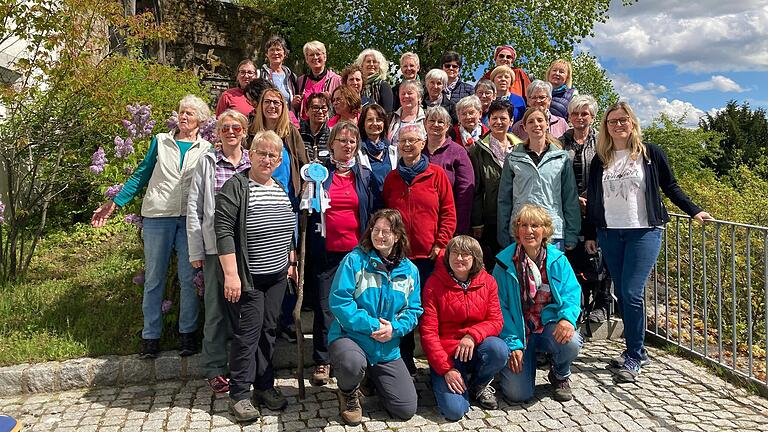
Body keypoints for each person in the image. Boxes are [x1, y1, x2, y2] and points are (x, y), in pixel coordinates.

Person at [584, 102, 712, 383]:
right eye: (612, 121)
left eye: (623, 119)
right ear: (605, 126)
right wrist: (592, 234)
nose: (618, 125)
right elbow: (594, 199)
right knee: (625, 293)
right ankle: (638, 351)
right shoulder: (600, 159)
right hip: (610, 233)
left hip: (644, 231)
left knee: (631, 292)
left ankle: (633, 355)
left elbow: (671, 186)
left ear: (632, 122)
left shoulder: (650, 154)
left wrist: (693, 210)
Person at [91, 95, 213, 359]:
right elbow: (141, 174)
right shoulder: (160, 141)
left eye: (190, 114)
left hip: (189, 220)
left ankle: (187, 335)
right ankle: (150, 336)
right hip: (158, 216)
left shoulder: (207, 150)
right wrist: (115, 203)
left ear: (201, 121)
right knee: (154, 277)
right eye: (181, 112)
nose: (183, 117)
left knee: (189, 279)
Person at [215, 130, 298, 421]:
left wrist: (290, 258)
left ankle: (264, 386)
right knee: (247, 335)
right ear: (251, 154)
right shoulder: (236, 187)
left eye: (271, 155)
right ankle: (239, 394)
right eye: (261, 153)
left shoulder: (277, 186)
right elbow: (223, 231)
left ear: (278, 161)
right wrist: (231, 275)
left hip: (275, 276)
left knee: (268, 331)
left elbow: (286, 225)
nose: (266, 159)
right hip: (247, 277)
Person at [328, 209, 422, 425]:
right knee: (352, 363)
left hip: (386, 347)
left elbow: (414, 310)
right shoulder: (354, 260)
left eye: (386, 231)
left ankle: (372, 378)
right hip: (351, 339)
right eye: (375, 230)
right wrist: (372, 326)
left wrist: (394, 329)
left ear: (397, 236)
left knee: (405, 408)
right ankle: (348, 393)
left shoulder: (410, 271)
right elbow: (340, 302)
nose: (379, 235)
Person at [307, 121, 380, 387]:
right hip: (326, 251)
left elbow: (374, 210)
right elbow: (308, 208)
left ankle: (357, 355)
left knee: (359, 305)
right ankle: (322, 359)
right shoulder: (319, 174)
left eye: (352, 142)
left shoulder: (364, 175)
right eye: (342, 141)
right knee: (326, 307)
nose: (347, 146)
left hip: (356, 253)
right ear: (332, 144)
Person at [383, 123, 457, 374]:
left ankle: (437, 360)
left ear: (423, 144)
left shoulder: (437, 176)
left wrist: (441, 244)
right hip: (399, 257)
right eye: (403, 140)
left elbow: (448, 212)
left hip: (429, 257)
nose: (407, 145)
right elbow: (385, 216)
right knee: (401, 308)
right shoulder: (392, 179)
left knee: (429, 310)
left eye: (413, 140)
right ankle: (405, 360)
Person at [187, 110, 252, 394]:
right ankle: (214, 367)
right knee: (215, 310)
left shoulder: (253, 160)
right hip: (215, 248)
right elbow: (194, 207)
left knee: (247, 310)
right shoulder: (208, 162)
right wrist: (195, 250)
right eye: (225, 127)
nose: (230, 131)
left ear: (244, 131)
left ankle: (246, 366)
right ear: (217, 132)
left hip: (250, 248)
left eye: (235, 126)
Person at [495, 204, 583, 402]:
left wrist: (567, 319)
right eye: (523, 225)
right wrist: (512, 344)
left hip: (547, 328)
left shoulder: (557, 259)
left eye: (535, 225)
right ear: (517, 230)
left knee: (572, 341)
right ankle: (515, 364)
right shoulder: (503, 263)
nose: (529, 231)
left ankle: (559, 374)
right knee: (518, 394)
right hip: (519, 332)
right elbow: (500, 307)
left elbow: (572, 292)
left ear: (545, 230)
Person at [420, 235, 508, 421]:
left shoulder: (488, 282)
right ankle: (450, 380)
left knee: (498, 349)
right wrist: (446, 369)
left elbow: (496, 321)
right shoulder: (433, 284)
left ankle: (479, 383)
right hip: (448, 354)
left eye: (465, 254)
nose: (459, 258)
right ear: (448, 256)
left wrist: (472, 336)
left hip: (475, 349)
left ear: (475, 258)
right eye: (455, 253)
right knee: (454, 411)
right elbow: (428, 333)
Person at [497, 107, 580, 252]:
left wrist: (572, 233)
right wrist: (503, 233)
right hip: (521, 230)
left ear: (547, 124)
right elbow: (504, 199)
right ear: (524, 127)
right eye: (531, 121)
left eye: (540, 120)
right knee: (522, 274)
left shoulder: (561, 158)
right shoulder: (513, 158)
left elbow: (570, 198)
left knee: (551, 274)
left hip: (553, 231)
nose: (536, 124)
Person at [560, 94, 612, 323]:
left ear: (592, 116)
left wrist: (591, 198)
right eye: (575, 113)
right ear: (569, 116)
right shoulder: (560, 142)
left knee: (602, 254)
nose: (580, 117)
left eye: (585, 113)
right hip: (568, 207)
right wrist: (573, 199)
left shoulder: (603, 142)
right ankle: (577, 303)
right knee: (573, 255)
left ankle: (602, 301)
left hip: (599, 206)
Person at [469, 99, 523, 270]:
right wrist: (477, 222)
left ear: (511, 121)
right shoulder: (478, 150)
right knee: (494, 266)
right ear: (488, 120)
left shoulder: (521, 148)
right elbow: (475, 189)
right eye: (494, 118)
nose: (498, 122)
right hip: (490, 218)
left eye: (503, 118)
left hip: (517, 216)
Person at [248, 88, 309, 200]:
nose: (272, 106)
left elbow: (304, 163)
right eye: (267, 102)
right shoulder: (251, 132)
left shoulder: (291, 132)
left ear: (283, 107)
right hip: (256, 197)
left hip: (288, 198)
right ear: (261, 105)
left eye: (276, 102)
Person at [423, 106, 474, 235]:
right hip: (423, 222)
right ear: (425, 123)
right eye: (432, 121)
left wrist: (459, 229)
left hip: (448, 222)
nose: (436, 125)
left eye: (440, 122)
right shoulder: (418, 150)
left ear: (447, 126)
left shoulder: (458, 152)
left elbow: (465, 192)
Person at [294, 41, 342, 120]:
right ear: (306, 59)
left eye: (318, 54)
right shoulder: (301, 81)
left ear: (325, 57)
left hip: (328, 127)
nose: (315, 57)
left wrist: (331, 100)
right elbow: (298, 108)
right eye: (311, 55)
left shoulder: (336, 80)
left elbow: (343, 106)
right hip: (304, 128)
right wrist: (295, 104)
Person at [357, 103, 396, 190]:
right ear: (363, 124)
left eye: (378, 120)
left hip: (390, 200)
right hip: (369, 201)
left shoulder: (393, 151)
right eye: (370, 120)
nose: (375, 123)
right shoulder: (357, 152)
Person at [256, 36, 298, 106]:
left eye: (278, 49)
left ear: (285, 54)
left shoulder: (292, 77)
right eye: (272, 50)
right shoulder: (259, 75)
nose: (275, 53)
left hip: (287, 116)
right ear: (267, 54)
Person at [387, 80, 426, 145]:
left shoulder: (427, 117)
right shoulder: (391, 118)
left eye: (410, 93)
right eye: (403, 93)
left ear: (419, 97)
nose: (406, 96)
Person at [355, 49, 394, 113]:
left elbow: (388, 112)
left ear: (379, 66)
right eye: (368, 61)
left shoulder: (383, 85)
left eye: (374, 62)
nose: (371, 64)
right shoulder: (358, 85)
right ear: (361, 65)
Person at [299, 92, 331, 163]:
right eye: (315, 108)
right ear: (306, 111)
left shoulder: (332, 136)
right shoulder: (298, 134)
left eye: (323, 108)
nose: (320, 111)